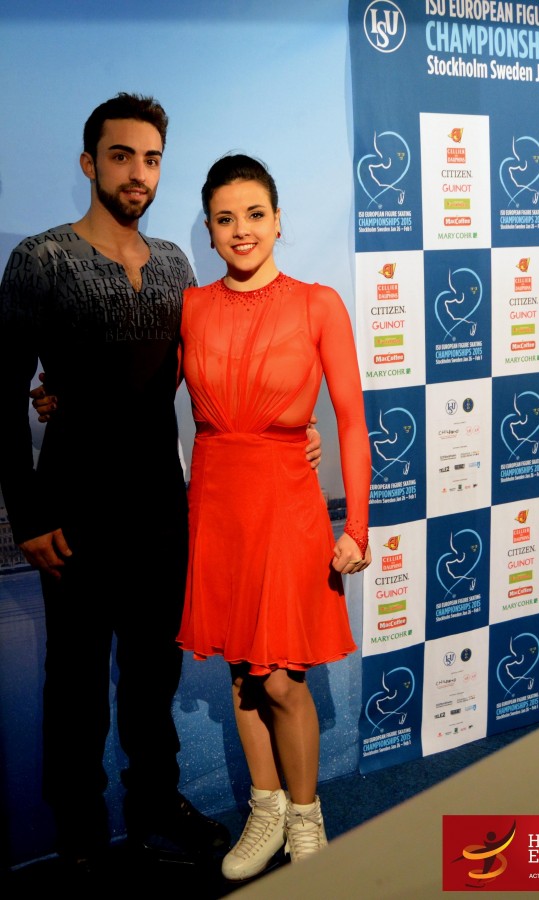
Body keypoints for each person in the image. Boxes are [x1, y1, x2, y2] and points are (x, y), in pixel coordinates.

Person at [0, 93, 322, 875]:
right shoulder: (40, 260)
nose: (137, 173)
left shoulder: (177, 265)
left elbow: (208, 370)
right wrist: (29, 515)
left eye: (150, 159)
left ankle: (155, 805)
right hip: (71, 509)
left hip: (161, 507)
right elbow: (6, 392)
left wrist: (290, 428)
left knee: (153, 675)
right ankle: (80, 834)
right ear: (90, 163)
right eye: (121, 156)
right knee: (75, 683)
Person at [175, 153, 371, 882]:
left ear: (279, 220)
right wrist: (58, 397)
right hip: (217, 503)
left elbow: (351, 420)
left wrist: (358, 527)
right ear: (209, 230)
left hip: (287, 504)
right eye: (225, 218)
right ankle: (266, 811)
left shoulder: (319, 304)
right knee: (241, 674)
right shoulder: (190, 308)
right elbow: (135, 391)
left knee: (283, 679)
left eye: (255, 214)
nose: (242, 230)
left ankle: (306, 817)